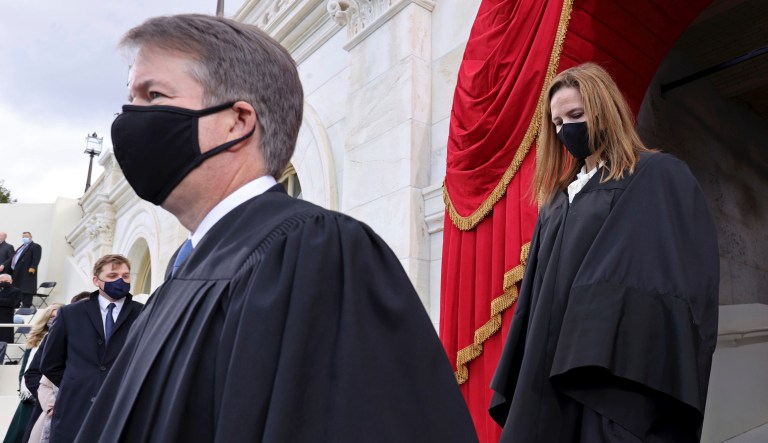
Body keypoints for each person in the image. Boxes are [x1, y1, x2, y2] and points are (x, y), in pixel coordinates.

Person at [77, 14, 476, 443]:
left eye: (153, 95)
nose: (129, 117)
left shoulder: (316, 255)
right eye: (131, 99)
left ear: (237, 121)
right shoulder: (183, 270)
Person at [489, 63, 719, 442]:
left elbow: (677, 279)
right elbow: (535, 296)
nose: (566, 129)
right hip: (546, 365)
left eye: (576, 115)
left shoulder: (656, 175)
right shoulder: (555, 203)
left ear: (603, 109)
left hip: (607, 372)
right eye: (558, 122)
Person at [41, 255, 142, 443]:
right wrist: (76, 383)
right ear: (96, 280)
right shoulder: (70, 313)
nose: (120, 280)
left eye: (125, 276)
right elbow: (50, 362)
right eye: (112, 276)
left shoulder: (144, 313)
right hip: (75, 408)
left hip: (123, 407)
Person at [2, 304, 62, 443]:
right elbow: (25, 371)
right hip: (29, 397)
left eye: (57, 317)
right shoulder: (35, 341)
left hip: (45, 399)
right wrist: (29, 391)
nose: (54, 320)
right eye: (51, 317)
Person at [0, 232, 42, 308]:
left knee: (26, 294)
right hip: (17, 272)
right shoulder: (21, 247)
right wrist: (4, 265)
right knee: (16, 295)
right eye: (23, 236)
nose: (24, 238)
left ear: (31, 237)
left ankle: (25, 309)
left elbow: (36, 258)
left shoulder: (35, 246)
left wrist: (33, 267)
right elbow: (13, 257)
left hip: (26, 272)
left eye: (26, 236)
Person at [0, 273, 22, 343]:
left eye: (6, 281)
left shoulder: (16, 291)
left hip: (5, 317)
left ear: (11, 281)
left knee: (5, 338)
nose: (3, 283)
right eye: (1, 281)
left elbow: (11, 302)